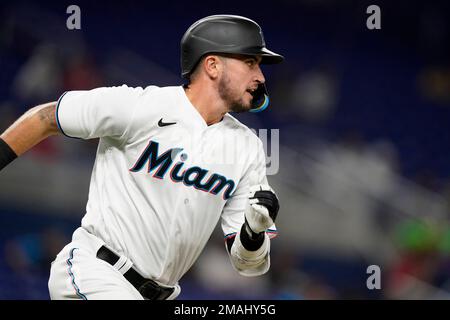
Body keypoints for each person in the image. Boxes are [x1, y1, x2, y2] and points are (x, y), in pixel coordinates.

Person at [0, 14, 283, 300]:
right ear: (212, 65)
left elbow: (248, 265)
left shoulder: (248, 148)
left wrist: (252, 233)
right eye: (250, 63)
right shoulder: (140, 106)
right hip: (97, 272)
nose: (260, 76)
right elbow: (46, 117)